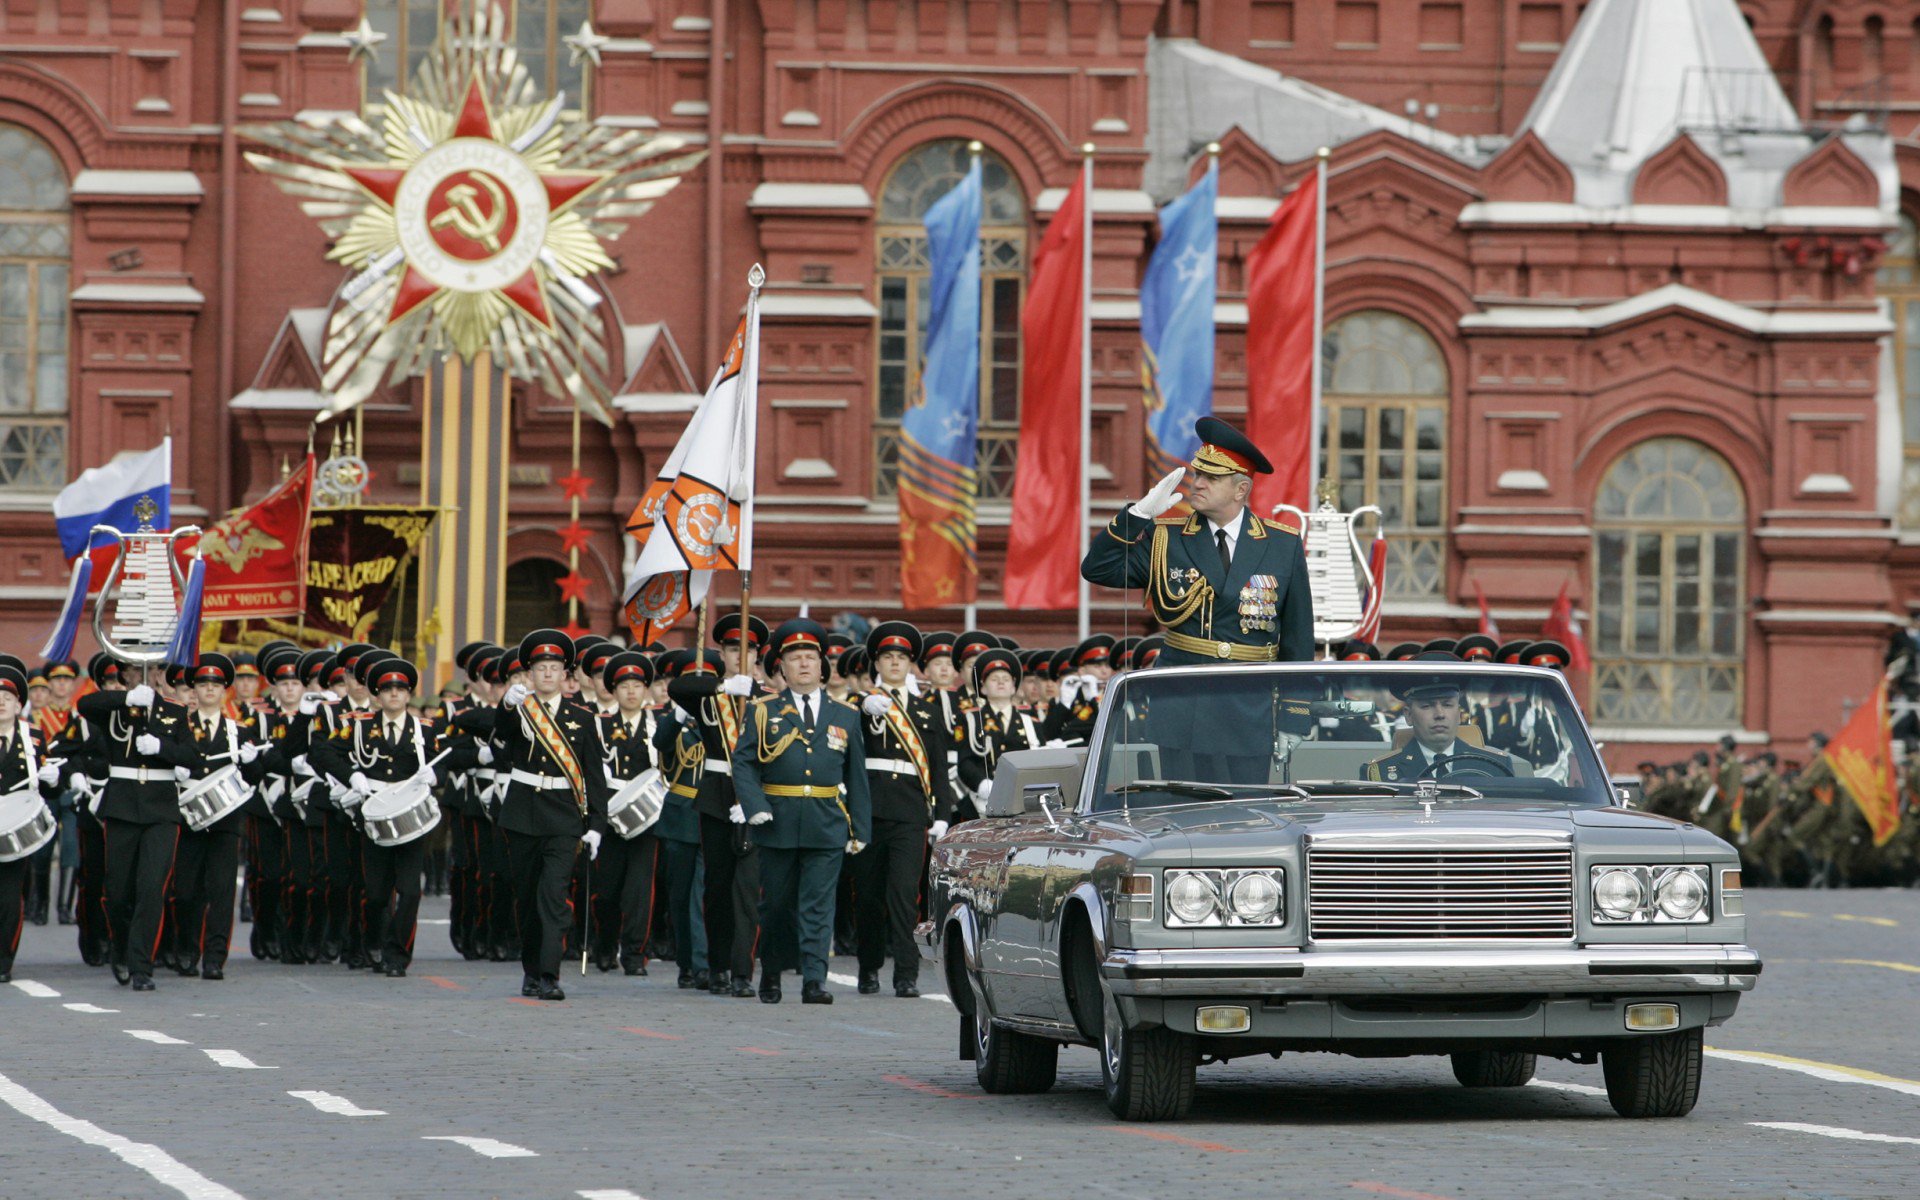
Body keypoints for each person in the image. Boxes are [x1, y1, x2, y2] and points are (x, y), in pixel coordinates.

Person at [1080, 415, 1313, 665]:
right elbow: (1098, 569)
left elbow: (1297, 635)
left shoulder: (1282, 544)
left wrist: (1295, 703)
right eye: (1199, 474)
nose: (1198, 484)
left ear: (1241, 490)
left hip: (1252, 692)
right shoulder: (1166, 537)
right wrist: (1137, 516)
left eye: (1212, 478)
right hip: (1184, 689)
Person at [733, 618, 871, 1005]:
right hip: (776, 819)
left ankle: (814, 979)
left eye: (811, 657)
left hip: (826, 820)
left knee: (818, 905)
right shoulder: (763, 711)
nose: (804, 664)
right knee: (776, 906)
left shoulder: (845, 714)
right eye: (795, 658)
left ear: (823, 666)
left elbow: (856, 774)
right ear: (782, 667)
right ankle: (773, 973)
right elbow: (743, 762)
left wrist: (860, 828)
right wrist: (754, 806)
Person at [493, 630, 610, 1001]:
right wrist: (507, 707)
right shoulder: (519, 707)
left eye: (554, 668)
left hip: (563, 817)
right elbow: (502, 741)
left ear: (565, 675)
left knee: (553, 897)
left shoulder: (583, 716)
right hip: (523, 813)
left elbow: (594, 776)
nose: (547, 674)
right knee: (527, 898)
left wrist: (596, 826)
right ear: (530, 673)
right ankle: (530, 970)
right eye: (540, 668)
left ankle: (549, 974)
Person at [312, 656, 436, 977]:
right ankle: (374, 942)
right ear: (377, 696)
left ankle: (397, 955)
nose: (394, 694)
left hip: (409, 817)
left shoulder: (423, 730)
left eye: (401, 689)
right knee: (377, 894)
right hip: (374, 816)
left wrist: (437, 775)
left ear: (409, 695)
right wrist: (351, 775)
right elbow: (323, 752)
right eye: (387, 689)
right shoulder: (359, 725)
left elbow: (445, 761)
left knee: (409, 890)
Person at [78, 666, 200, 991]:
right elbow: (85, 706)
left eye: (152, 670)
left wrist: (163, 749)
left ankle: (141, 965)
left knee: (150, 889)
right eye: (134, 670)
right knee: (117, 893)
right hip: (121, 807)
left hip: (161, 810)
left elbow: (192, 755)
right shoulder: (115, 709)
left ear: (160, 674)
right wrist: (126, 697)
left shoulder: (174, 711)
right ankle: (120, 946)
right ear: (127, 676)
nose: (145, 675)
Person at [852, 621, 955, 998]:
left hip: (911, 813)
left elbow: (938, 767)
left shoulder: (926, 712)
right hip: (869, 811)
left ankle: (906, 973)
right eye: (887, 657)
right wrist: (863, 709)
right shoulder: (861, 705)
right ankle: (868, 967)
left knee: (903, 894)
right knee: (867, 895)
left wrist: (942, 813)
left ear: (910, 664)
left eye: (901, 657)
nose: (894, 663)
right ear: (876, 663)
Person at [667, 621, 763, 999]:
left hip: (752, 797)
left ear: (757, 656)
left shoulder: (766, 697)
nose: (741, 656)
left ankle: (742, 971)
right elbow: (677, 687)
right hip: (715, 796)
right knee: (717, 887)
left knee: (747, 890)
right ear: (721, 655)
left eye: (749, 650)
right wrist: (724, 686)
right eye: (732, 649)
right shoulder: (708, 695)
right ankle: (718, 966)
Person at [171, 654, 271, 980]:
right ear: (194, 689)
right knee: (186, 890)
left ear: (225, 690)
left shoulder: (238, 730)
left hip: (226, 820)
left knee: (222, 890)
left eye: (215, 684)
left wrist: (253, 760)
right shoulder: (179, 728)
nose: (209, 689)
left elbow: (254, 777)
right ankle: (187, 949)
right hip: (188, 818)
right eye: (203, 684)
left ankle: (214, 957)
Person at [592, 650, 661, 975]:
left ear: (646, 689)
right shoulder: (600, 726)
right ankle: (605, 947)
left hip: (648, 817)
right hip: (609, 817)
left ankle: (635, 954)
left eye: (637, 685)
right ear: (613, 691)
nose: (631, 692)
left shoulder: (658, 725)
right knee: (606, 891)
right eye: (624, 686)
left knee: (640, 891)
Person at [0, 664, 64, 984]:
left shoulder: (34, 736)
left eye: (8, 697)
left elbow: (49, 785)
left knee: (11, 896)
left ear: (18, 705)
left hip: (15, 828)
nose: (1, 702)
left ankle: (3, 961)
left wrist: (53, 779)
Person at [1363, 671, 1513, 782]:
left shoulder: (1496, 767)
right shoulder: (1380, 773)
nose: (1440, 714)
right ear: (1408, 715)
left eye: (1447, 705)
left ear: (1459, 713)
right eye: (1427, 706)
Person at [956, 649, 1043, 814]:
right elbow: (965, 760)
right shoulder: (971, 719)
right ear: (983, 688)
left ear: (1013, 687)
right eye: (994, 679)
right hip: (981, 802)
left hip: (1023, 802)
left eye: (1006, 679)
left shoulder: (1030, 723)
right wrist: (982, 784)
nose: (1000, 683)